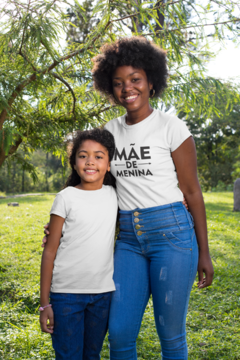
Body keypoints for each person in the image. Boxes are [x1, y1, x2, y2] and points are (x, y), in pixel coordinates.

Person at [43, 37, 214, 360]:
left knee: (170, 333)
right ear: (110, 87)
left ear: (151, 81)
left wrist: (204, 252)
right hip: (128, 241)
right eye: (119, 83)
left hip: (173, 235)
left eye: (135, 79)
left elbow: (192, 192)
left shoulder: (171, 128)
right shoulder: (110, 131)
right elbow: (91, 177)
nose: (127, 88)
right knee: (119, 332)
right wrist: (59, 224)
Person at [39, 128, 118, 360]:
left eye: (98, 156)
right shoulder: (66, 197)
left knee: (92, 355)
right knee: (68, 355)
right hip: (66, 295)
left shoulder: (116, 194)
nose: (90, 161)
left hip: (102, 294)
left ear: (109, 164)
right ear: (74, 163)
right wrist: (45, 304)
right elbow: (50, 251)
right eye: (83, 155)